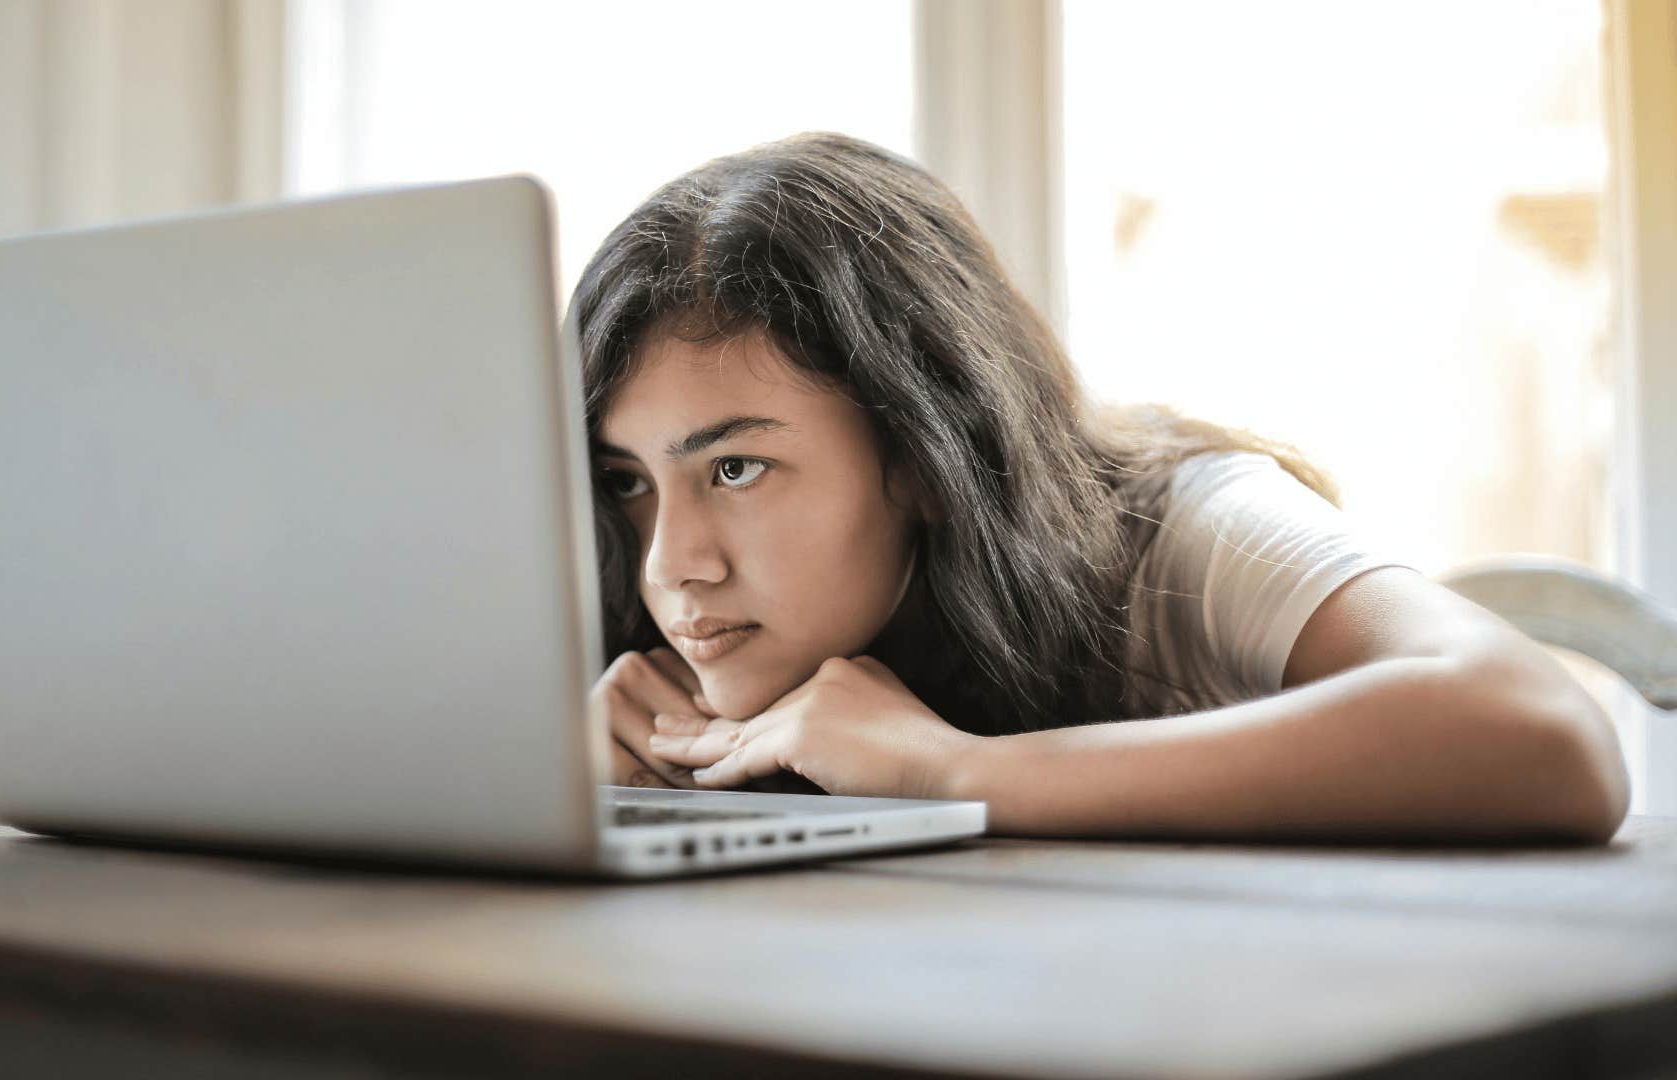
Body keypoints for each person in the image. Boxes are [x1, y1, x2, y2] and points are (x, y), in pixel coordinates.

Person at [569, 131, 1630, 843]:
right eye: (627, 480)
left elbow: (1543, 733)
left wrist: (948, 773)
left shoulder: (1186, 526)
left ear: (928, 454)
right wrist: (556, 780)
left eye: (736, 468)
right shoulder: (657, 638)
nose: (673, 564)